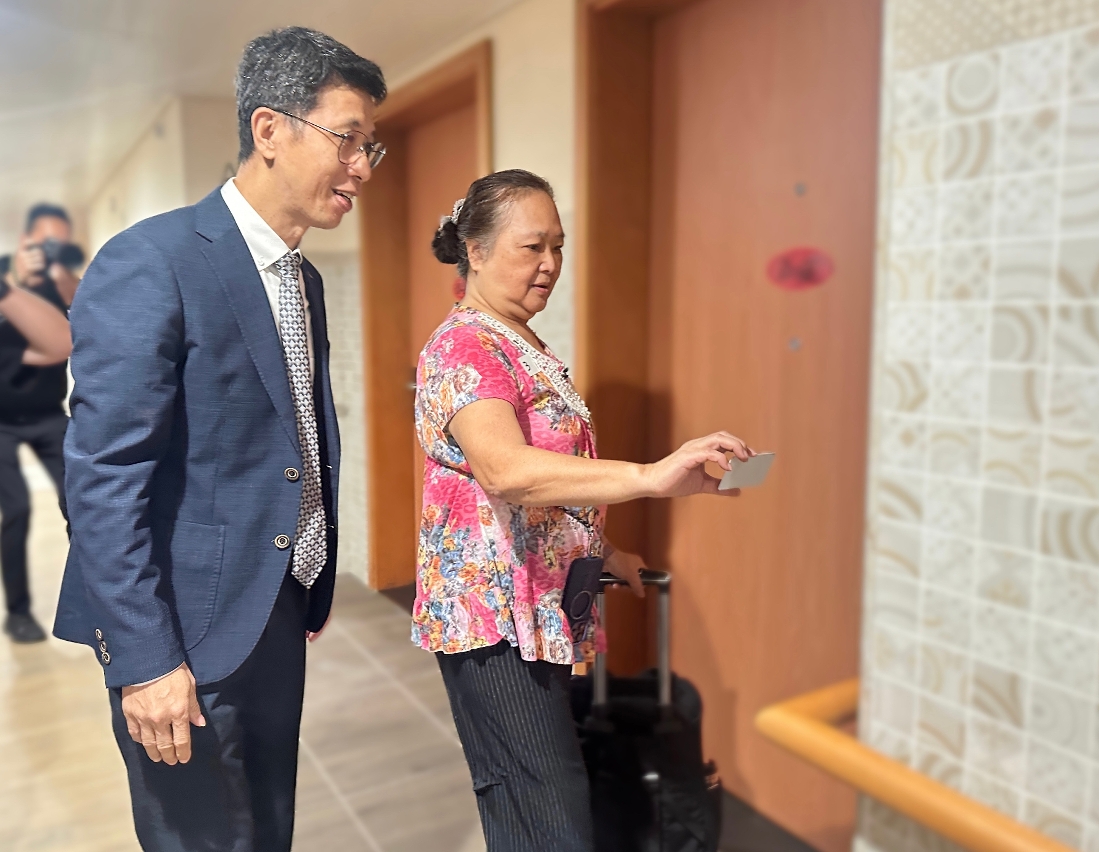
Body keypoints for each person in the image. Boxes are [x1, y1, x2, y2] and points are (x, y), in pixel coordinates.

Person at [52, 27, 386, 851]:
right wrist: (144, 659)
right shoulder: (152, 260)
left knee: (268, 825)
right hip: (180, 624)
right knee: (200, 837)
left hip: (272, 600)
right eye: (347, 139)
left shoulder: (299, 276)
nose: (362, 168)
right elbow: (102, 479)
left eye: (370, 147)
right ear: (270, 129)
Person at [414, 169, 754, 851]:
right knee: (549, 817)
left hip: (536, 607)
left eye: (558, 247)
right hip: (494, 621)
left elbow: (542, 493)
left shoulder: (519, 343)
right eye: (531, 247)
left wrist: (602, 552)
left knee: (543, 810)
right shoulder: (465, 347)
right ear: (475, 251)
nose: (549, 264)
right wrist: (648, 476)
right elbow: (507, 472)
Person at [0, 203, 78, 643]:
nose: (50, 250)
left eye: (59, 244)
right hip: (1, 420)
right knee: (16, 509)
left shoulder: (59, 288)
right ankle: (18, 612)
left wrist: (57, 274)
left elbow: (78, 317)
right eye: (44, 242)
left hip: (48, 412)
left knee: (81, 499)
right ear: (24, 240)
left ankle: (96, 593)